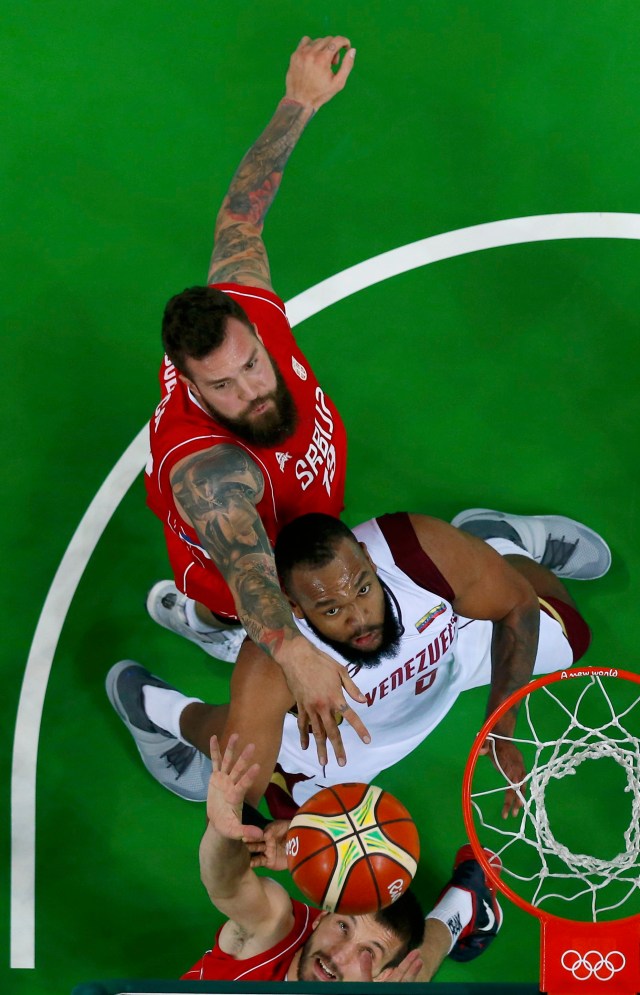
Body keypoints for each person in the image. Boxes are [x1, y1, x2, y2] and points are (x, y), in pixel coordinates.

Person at [144, 35, 369, 767]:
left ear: (252, 327)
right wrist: (294, 653)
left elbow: (241, 215)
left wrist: (297, 103)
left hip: (301, 510)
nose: (250, 389)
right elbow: (252, 576)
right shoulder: (207, 469)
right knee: (229, 599)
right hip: (237, 560)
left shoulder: (249, 299)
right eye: (223, 386)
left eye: (251, 364)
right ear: (189, 382)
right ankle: (202, 623)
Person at [107, 507, 609, 818]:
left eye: (364, 590)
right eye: (332, 610)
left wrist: (501, 723)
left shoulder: (415, 552)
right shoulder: (271, 664)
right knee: (278, 795)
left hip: (450, 656)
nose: (359, 618)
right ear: (298, 612)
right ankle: (155, 709)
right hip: (344, 738)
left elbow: (516, 605)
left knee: (566, 631)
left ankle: (497, 540)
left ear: (369, 563)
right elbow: (242, 797)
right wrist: (269, 839)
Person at [180, 734, 503, 982]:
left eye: (368, 953)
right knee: (412, 968)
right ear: (321, 917)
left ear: (378, 977)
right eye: (343, 928)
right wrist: (222, 833)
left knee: (408, 972)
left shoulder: (380, 979)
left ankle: (461, 904)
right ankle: (463, 903)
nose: (337, 955)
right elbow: (228, 885)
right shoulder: (271, 929)